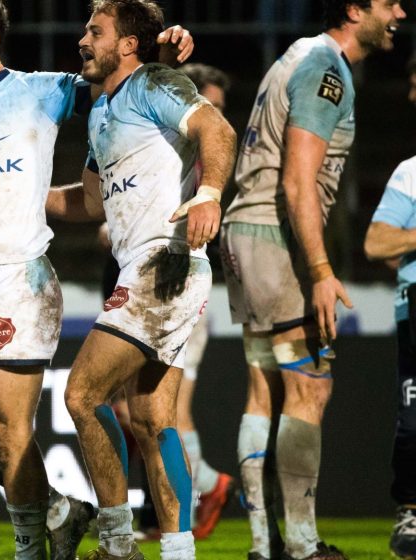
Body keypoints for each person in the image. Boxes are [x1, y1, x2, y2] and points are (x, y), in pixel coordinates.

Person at [0, 1, 193, 557]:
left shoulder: (42, 90)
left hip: (18, 278)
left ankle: (33, 546)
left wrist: (158, 56)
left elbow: (113, 85)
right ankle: (58, 510)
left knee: (8, 429)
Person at [46, 1, 236, 558]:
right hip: (146, 267)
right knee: (153, 419)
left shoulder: (154, 81)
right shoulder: (103, 112)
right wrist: (21, 200)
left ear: (127, 44)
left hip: (165, 263)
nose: (83, 38)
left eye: (95, 30)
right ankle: (179, 550)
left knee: (81, 395)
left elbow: (216, 127)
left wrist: (208, 193)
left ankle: (117, 543)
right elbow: (88, 202)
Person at [221, 1, 405, 558]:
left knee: (263, 389)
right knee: (309, 387)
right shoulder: (325, 69)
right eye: (387, 2)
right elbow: (299, 184)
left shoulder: (298, 55)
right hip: (276, 238)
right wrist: (321, 271)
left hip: (245, 232)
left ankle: (263, 543)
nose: (399, 11)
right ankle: (302, 545)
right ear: (353, 9)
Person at [174, 63, 235, 541]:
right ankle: (197, 493)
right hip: (155, 281)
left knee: (171, 409)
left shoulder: (206, 159)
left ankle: (205, 489)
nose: (213, 117)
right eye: (205, 104)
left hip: (186, 286)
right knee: (138, 408)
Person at [362, 53, 416, 560]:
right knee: (415, 421)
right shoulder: (411, 173)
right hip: (415, 305)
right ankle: (412, 512)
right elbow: (377, 244)